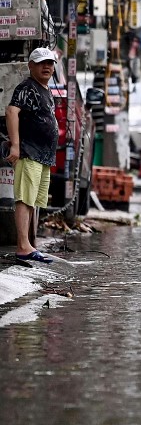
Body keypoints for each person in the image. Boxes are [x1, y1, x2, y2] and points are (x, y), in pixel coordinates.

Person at [5, 47, 60, 264]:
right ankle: (23, 246)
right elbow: (11, 112)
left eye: (50, 63)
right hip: (30, 152)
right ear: (31, 66)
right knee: (24, 199)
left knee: (33, 201)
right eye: (41, 63)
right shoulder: (27, 87)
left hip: (43, 156)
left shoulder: (43, 89)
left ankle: (29, 245)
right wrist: (16, 146)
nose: (46, 66)